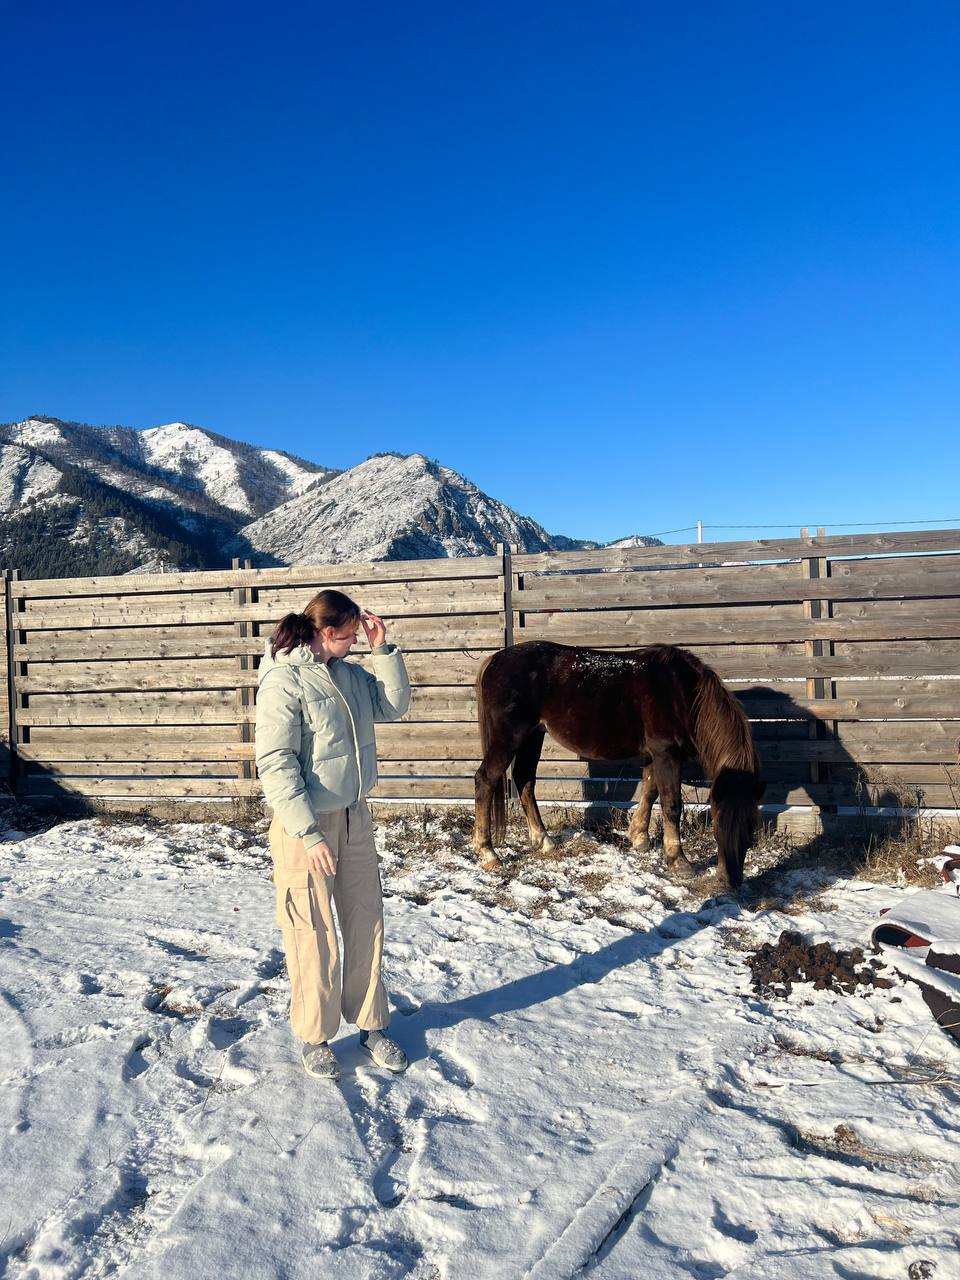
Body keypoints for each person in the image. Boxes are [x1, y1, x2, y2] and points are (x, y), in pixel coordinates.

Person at [255, 588, 411, 1081]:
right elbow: (276, 763)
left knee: (366, 920)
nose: (354, 641)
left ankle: (371, 1025)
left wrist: (383, 650)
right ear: (326, 632)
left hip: (353, 817)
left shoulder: (348, 674)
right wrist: (309, 834)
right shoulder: (283, 681)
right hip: (305, 827)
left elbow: (394, 706)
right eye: (349, 635)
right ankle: (315, 1036)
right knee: (312, 931)